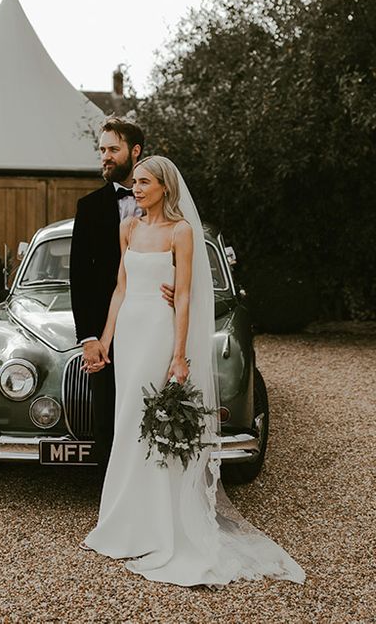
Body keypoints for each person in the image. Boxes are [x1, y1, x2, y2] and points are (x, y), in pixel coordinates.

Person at [80, 155, 305, 586]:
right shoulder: (128, 227)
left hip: (160, 334)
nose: (138, 188)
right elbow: (120, 288)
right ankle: (124, 522)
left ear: (165, 186)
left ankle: (162, 527)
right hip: (129, 333)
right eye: (136, 183)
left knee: (155, 425)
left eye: (145, 182)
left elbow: (183, 296)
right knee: (127, 421)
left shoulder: (182, 232)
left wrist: (179, 354)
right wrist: (105, 340)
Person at [69, 117, 172, 463]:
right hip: (106, 334)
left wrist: (176, 288)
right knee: (108, 423)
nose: (105, 157)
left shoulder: (165, 206)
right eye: (102, 150)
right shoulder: (88, 208)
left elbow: (182, 261)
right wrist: (89, 338)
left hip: (155, 326)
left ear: (135, 151)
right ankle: (113, 506)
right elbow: (80, 278)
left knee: (157, 414)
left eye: (113, 149)